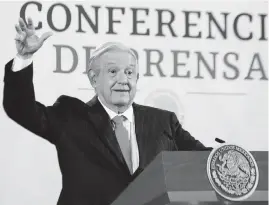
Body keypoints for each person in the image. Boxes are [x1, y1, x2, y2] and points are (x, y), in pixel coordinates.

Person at [3, 17, 211, 205]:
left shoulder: (163, 122)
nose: (123, 80)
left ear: (136, 79)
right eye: (113, 71)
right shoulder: (71, 116)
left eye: (129, 72)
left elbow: (207, 162)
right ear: (94, 79)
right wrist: (24, 58)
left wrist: (237, 164)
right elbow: (21, 109)